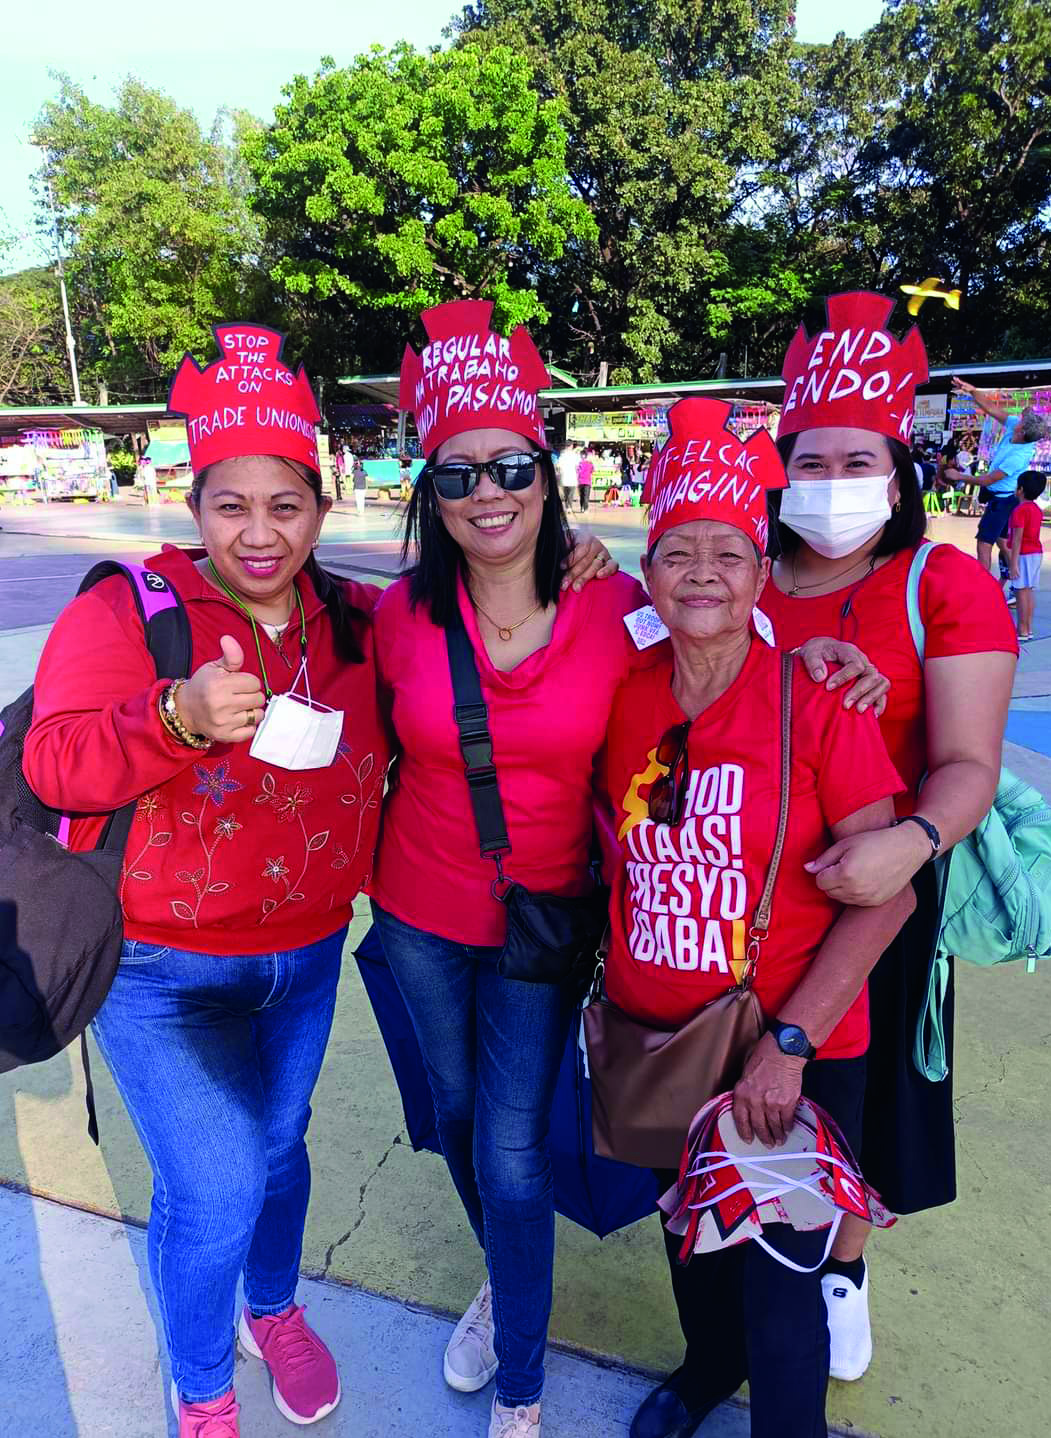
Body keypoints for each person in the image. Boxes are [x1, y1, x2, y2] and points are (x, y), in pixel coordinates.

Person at [23, 326, 391, 1438]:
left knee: (282, 1150)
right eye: (232, 504)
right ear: (196, 506)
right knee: (223, 1179)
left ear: (321, 511)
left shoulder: (360, 619)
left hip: (310, 952)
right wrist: (174, 714)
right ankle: (203, 1390)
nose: (260, 532)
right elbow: (56, 760)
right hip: (160, 970)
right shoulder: (131, 610)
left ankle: (271, 1309)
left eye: (286, 505)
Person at [603, 398, 915, 1438]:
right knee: (691, 1235)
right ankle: (703, 1371)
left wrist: (789, 1044)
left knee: (783, 1275)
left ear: (757, 572)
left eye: (727, 553)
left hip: (790, 1042)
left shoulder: (817, 700)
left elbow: (889, 894)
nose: (700, 571)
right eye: (676, 551)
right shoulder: (625, 691)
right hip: (660, 1040)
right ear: (647, 573)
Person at [370, 300, 638, 1438]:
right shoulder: (396, 618)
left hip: (541, 928)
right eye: (459, 473)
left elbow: (725, 661)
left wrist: (825, 655)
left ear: (547, 475)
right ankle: (505, 1275)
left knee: (519, 1155)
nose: (489, 491)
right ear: (431, 496)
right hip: (421, 915)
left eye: (511, 466)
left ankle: (522, 1387)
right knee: (465, 1119)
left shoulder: (616, 606)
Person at [760, 291, 1017, 1382]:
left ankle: (843, 1268)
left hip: (884, 893)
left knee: (866, 1110)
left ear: (898, 470)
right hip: (754, 895)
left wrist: (907, 841)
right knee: (756, 1095)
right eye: (808, 465)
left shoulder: (938, 583)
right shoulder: (739, 576)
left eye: (855, 464)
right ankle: (753, 1267)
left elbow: (968, 764)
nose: (828, 489)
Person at [947, 379, 1047, 574]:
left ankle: (984, 586)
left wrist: (959, 475)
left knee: (984, 542)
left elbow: (988, 479)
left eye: (1022, 421)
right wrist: (972, 391)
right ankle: (1016, 575)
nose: (1017, 419)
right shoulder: (1015, 427)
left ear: (1023, 431)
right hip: (999, 496)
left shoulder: (1019, 456)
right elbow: (991, 409)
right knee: (1001, 539)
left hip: (1003, 500)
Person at [1007, 469, 1047, 641]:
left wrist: (1013, 563)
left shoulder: (1020, 510)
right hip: (1036, 553)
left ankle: (1022, 629)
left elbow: (1017, 538)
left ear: (1020, 489)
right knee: (1028, 591)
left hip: (1023, 554)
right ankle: (1028, 627)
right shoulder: (1036, 509)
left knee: (1020, 591)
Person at [556, 441, 579, 509]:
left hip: (564, 477)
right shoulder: (574, 455)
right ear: (571, 446)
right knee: (571, 493)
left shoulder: (562, 455)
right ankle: (569, 507)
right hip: (572, 477)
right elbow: (577, 466)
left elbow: (558, 466)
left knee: (566, 493)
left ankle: (567, 506)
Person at [576, 446, 595, 513]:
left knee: (581, 495)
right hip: (587, 481)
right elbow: (593, 471)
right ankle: (585, 509)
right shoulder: (590, 463)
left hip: (581, 481)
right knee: (586, 496)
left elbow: (577, 471)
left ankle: (582, 508)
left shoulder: (579, 463)